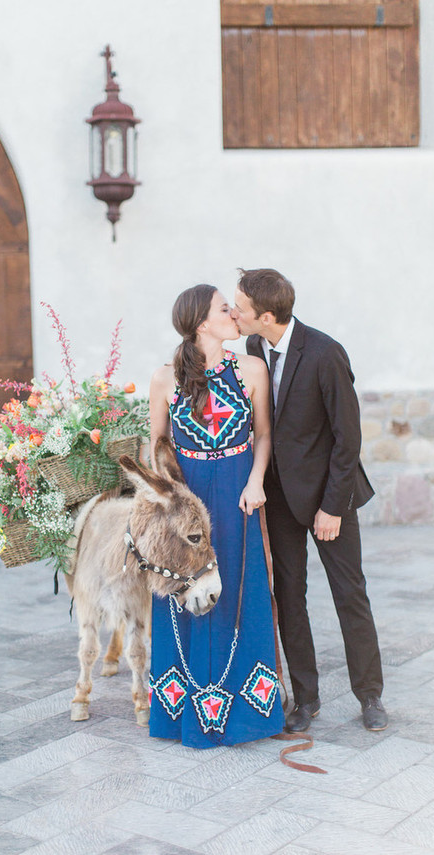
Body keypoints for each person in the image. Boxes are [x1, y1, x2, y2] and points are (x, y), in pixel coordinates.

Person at [231, 268, 387, 733]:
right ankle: (306, 698)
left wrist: (332, 508)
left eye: (240, 307)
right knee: (289, 598)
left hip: (328, 496)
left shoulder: (324, 353)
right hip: (278, 496)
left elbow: (347, 439)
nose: (234, 313)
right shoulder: (255, 347)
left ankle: (370, 696)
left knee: (349, 595)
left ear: (266, 314)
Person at [148, 283, 284, 747]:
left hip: (236, 491)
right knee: (185, 585)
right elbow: (158, 446)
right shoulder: (165, 378)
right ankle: (180, 712)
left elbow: (263, 434)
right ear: (203, 322)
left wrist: (255, 481)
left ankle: (249, 713)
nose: (233, 313)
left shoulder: (251, 370)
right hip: (187, 500)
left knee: (241, 587)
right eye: (224, 308)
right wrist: (170, 504)